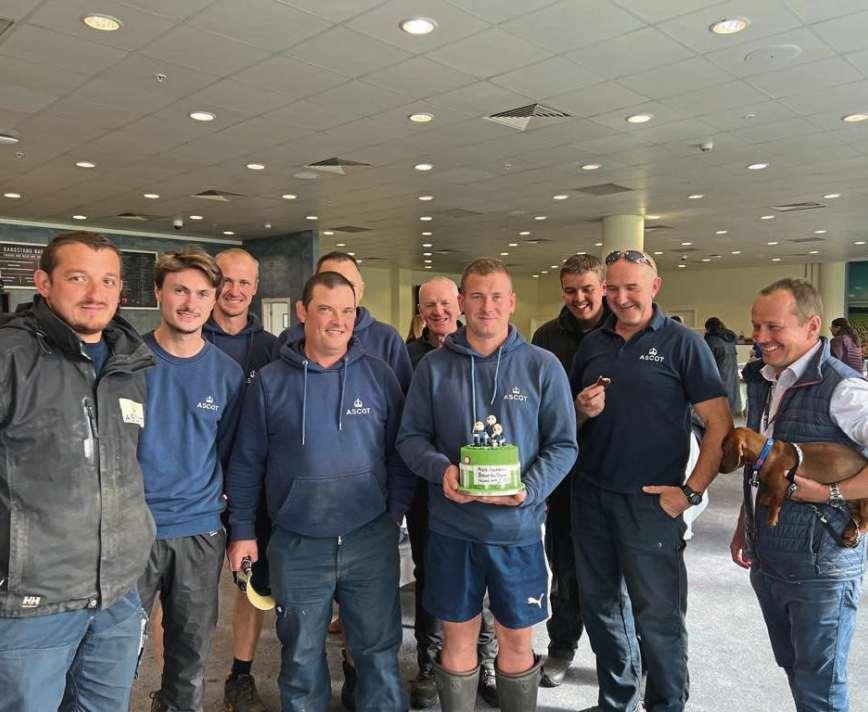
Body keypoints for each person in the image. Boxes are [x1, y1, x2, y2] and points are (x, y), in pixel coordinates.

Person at [226, 271, 415, 712]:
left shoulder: (379, 375)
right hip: (297, 543)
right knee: (300, 657)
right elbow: (247, 462)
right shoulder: (270, 381)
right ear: (303, 312)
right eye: (326, 309)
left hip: (369, 538)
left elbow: (400, 454)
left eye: (347, 311)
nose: (338, 321)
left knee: (378, 653)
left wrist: (393, 515)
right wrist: (243, 530)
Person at [397, 258, 578, 712]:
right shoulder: (433, 368)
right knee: (457, 638)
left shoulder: (542, 366)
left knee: (516, 640)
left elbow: (563, 445)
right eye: (476, 296)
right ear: (462, 302)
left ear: (512, 301)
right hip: (452, 530)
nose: (487, 306)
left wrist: (529, 488)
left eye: (497, 296)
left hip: (516, 532)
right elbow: (410, 438)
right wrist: (442, 470)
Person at [0, 231, 156, 712]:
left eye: (108, 280)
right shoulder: (10, 356)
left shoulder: (129, 365)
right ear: (43, 283)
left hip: (116, 595)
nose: (96, 293)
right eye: (78, 278)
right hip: (32, 602)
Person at [571, 250, 731, 712]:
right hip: (592, 495)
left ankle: (666, 704)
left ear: (655, 287)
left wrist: (691, 492)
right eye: (613, 288)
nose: (621, 298)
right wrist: (581, 409)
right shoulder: (592, 345)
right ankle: (617, 700)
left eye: (632, 288)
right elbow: (569, 421)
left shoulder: (684, 344)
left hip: (652, 503)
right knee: (601, 608)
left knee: (658, 614)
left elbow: (719, 423)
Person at [730, 279, 868, 712]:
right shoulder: (764, 379)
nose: (761, 337)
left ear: (812, 326)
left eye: (774, 326)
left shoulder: (844, 388)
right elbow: (762, 463)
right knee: (796, 672)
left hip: (821, 568)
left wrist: (830, 492)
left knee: (820, 690)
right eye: (756, 326)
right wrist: (745, 523)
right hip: (771, 558)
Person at [137, 248, 244, 712]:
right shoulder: (128, 363)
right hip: (131, 531)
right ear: (158, 293)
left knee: (190, 658)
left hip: (199, 531)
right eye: (180, 290)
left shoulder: (227, 374)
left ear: (213, 300)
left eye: (202, 293)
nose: (190, 303)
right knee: (113, 651)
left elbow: (231, 455)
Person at [405, 276, 499, 709]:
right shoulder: (410, 357)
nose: (439, 311)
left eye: (445, 303)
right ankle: (429, 663)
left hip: (487, 492)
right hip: (429, 489)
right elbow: (406, 429)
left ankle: (486, 660)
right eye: (430, 305)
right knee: (431, 576)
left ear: (459, 303)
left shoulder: (486, 350)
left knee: (485, 576)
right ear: (420, 311)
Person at [530, 254, 609, 687]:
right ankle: (561, 647)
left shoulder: (625, 331)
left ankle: (620, 660)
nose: (579, 298)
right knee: (564, 569)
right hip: (563, 476)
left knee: (616, 574)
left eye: (587, 289)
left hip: (615, 472)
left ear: (603, 287)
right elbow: (536, 409)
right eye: (570, 290)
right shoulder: (546, 337)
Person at [204, 248, 277, 712]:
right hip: (197, 493)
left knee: (251, 587)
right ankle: (173, 689)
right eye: (225, 281)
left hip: (254, 492)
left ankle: (241, 674)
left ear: (255, 288)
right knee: (180, 597)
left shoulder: (272, 348)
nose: (234, 290)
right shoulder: (189, 337)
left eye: (244, 282)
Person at [275, 251, 412, 392]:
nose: (339, 289)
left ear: (361, 290)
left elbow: (403, 397)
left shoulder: (387, 338)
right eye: (330, 280)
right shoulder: (290, 338)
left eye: (349, 283)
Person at [704, 316, 743, 416]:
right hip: (732, 376)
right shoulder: (729, 339)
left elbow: (706, 362)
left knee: (718, 412)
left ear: (709, 328)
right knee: (730, 409)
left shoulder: (712, 340)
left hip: (717, 378)